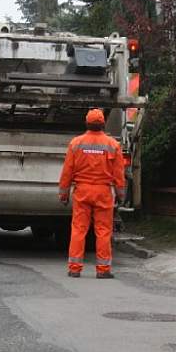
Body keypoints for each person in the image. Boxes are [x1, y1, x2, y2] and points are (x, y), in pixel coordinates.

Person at [58, 108, 125, 278]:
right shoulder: (113, 145)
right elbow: (119, 174)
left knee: (79, 230)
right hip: (103, 192)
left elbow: (67, 172)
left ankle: (74, 268)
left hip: (82, 191)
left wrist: (63, 194)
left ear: (86, 124)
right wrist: (121, 195)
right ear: (103, 124)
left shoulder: (76, 143)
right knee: (103, 231)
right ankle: (103, 270)